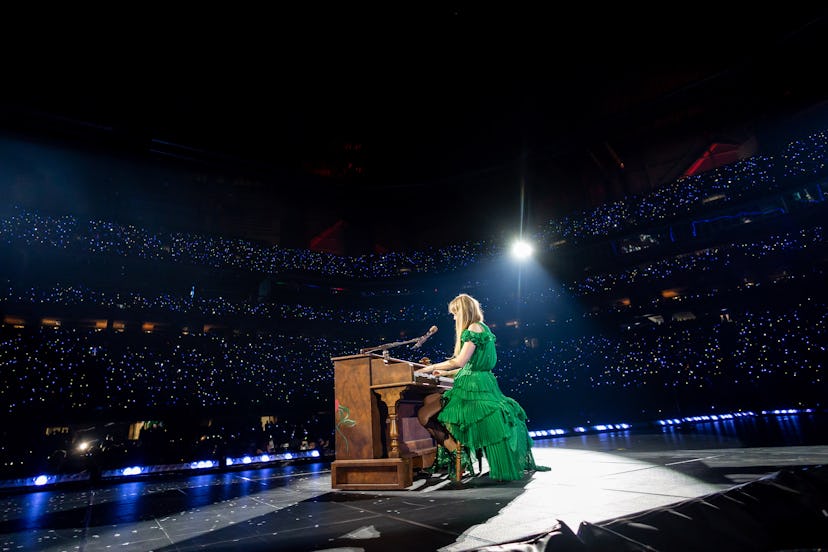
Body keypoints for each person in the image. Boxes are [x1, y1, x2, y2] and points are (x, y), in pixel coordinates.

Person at [414, 293, 549, 481]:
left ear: (462, 311)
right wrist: (443, 374)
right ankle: (456, 454)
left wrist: (431, 367)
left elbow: (460, 362)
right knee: (430, 404)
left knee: (426, 414)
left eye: (455, 313)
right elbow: (471, 364)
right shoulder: (481, 328)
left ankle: (456, 455)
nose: (453, 318)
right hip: (479, 384)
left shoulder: (474, 328)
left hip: (473, 389)